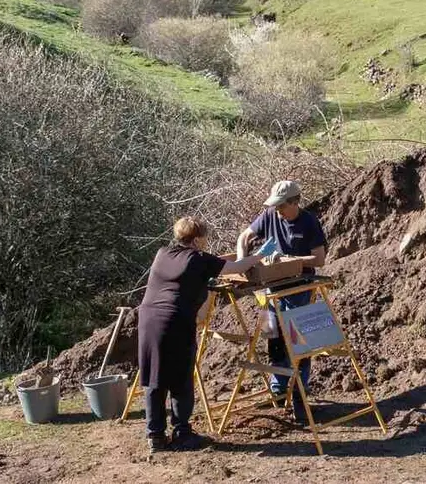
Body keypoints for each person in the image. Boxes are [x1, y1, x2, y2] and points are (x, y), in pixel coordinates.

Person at [138, 216, 262, 453]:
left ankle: (155, 436)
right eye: (204, 238)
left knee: (155, 377)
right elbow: (236, 268)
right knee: (181, 377)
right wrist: (260, 256)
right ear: (196, 240)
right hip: (175, 321)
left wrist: (229, 258)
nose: (206, 242)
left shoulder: (163, 253)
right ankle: (182, 433)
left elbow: (214, 263)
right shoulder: (198, 258)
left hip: (149, 319)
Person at [237, 180, 327, 421]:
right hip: (269, 287)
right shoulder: (269, 215)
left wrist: (289, 260)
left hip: (298, 288)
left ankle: (299, 393)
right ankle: (278, 389)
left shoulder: (309, 222)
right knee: (272, 336)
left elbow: (319, 260)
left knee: (299, 341)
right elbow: (244, 236)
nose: (277, 210)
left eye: (281, 206)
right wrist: (243, 262)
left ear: (295, 202)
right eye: (275, 206)